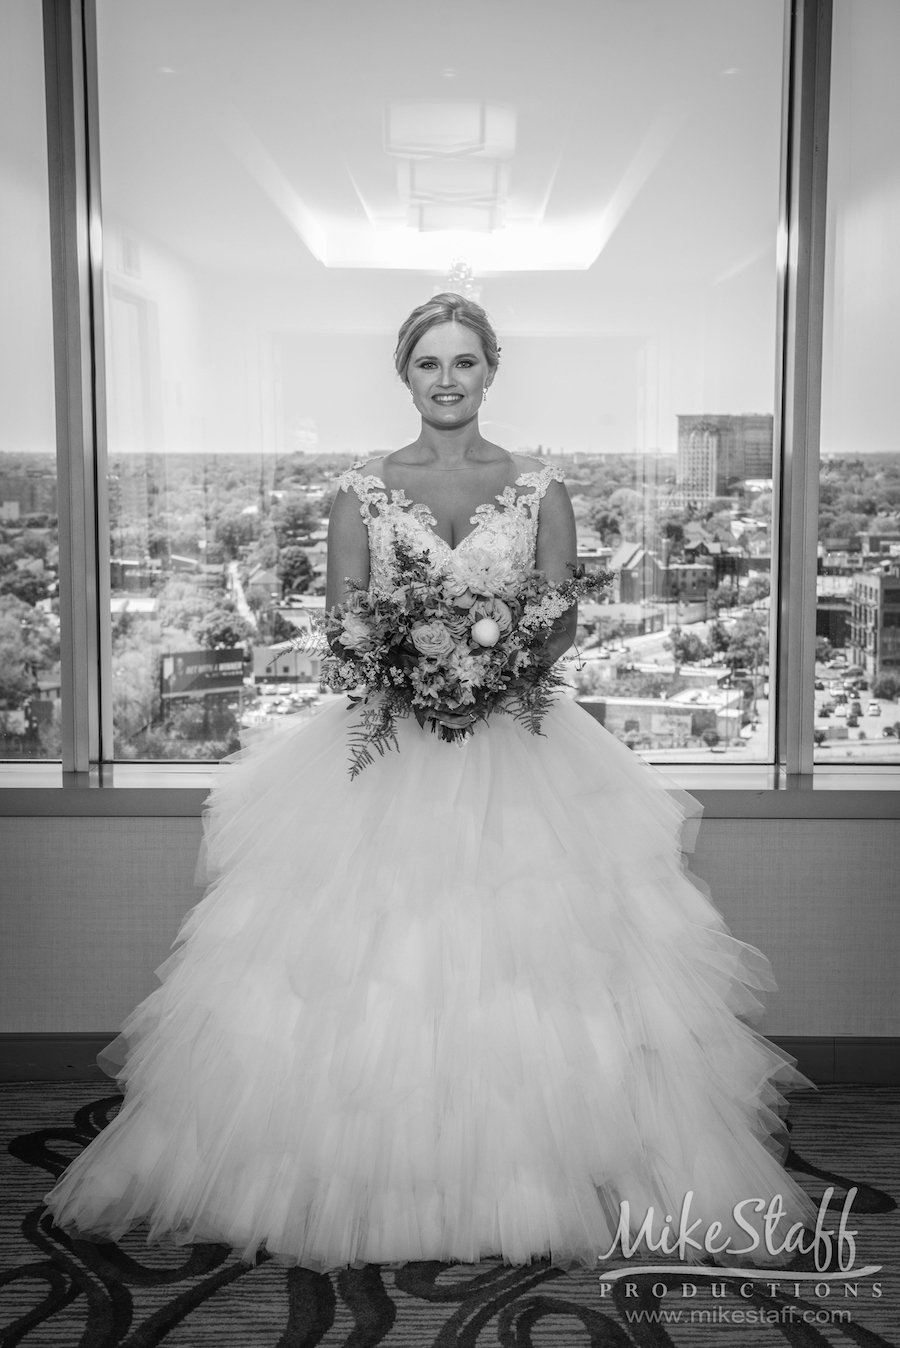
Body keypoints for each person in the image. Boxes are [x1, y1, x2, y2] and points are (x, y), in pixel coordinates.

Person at [45, 293, 816, 1273]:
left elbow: (562, 617)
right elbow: (343, 620)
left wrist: (494, 670)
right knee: (371, 961)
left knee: (540, 961)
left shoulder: (541, 486)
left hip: (521, 736)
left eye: (463, 362)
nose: (446, 379)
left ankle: (549, 1173)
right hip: (387, 744)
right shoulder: (362, 489)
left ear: (490, 371)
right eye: (428, 364)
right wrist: (412, 664)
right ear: (404, 376)